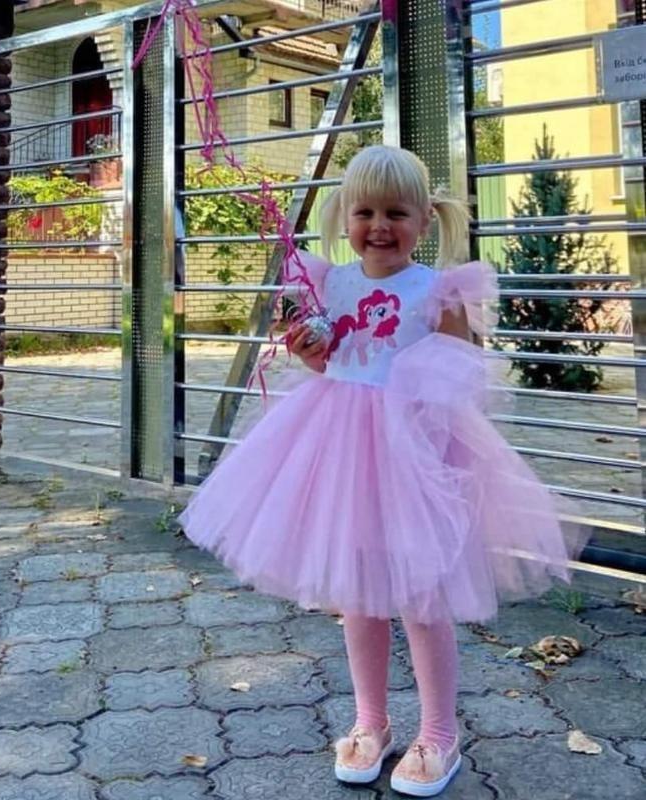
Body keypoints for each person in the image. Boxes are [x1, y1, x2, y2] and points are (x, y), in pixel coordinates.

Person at [179, 145, 579, 797]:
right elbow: (329, 362)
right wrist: (308, 349)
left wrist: (426, 425)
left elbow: (460, 378)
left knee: (422, 598)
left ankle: (439, 734)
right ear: (345, 217)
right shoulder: (329, 283)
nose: (379, 226)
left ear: (424, 219)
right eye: (365, 212)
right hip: (338, 452)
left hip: (414, 458)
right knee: (358, 596)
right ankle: (371, 722)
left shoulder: (438, 290)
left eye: (396, 213)